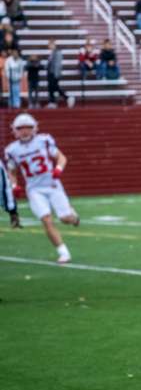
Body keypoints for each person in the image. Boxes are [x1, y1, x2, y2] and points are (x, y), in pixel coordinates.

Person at [5, 114, 80, 263]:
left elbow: (61, 157)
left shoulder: (44, 141)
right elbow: (12, 171)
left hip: (52, 184)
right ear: (15, 130)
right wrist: (14, 185)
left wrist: (58, 169)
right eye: (21, 128)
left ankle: (74, 217)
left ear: (34, 128)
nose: (24, 131)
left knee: (65, 218)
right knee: (46, 219)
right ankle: (63, 252)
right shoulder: (12, 150)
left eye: (28, 127)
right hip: (34, 189)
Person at [46, 40, 73, 108]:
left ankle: (67, 97)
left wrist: (56, 74)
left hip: (54, 73)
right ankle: (52, 102)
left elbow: (58, 65)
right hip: (50, 73)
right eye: (49, 45)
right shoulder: (51, 53)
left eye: (50, 45)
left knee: (55, 87)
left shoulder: (57, 52)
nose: (49, 46)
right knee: (51, 88)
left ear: (54, 45)